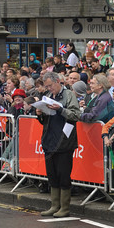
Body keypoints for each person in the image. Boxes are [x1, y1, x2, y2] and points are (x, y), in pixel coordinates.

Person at [36, 73, 82, 218]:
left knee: (63, 174)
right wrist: (40, 113)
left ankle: (65, 207)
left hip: (64, 141)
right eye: (47, 86)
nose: (49, 88)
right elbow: (45, 121)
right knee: (52, 175)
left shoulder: (68, 95)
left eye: (50, 85)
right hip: (49, 140)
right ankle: (54, 205)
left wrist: (60, 109)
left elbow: (76, 115)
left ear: (58, 82)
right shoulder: (49, 96)